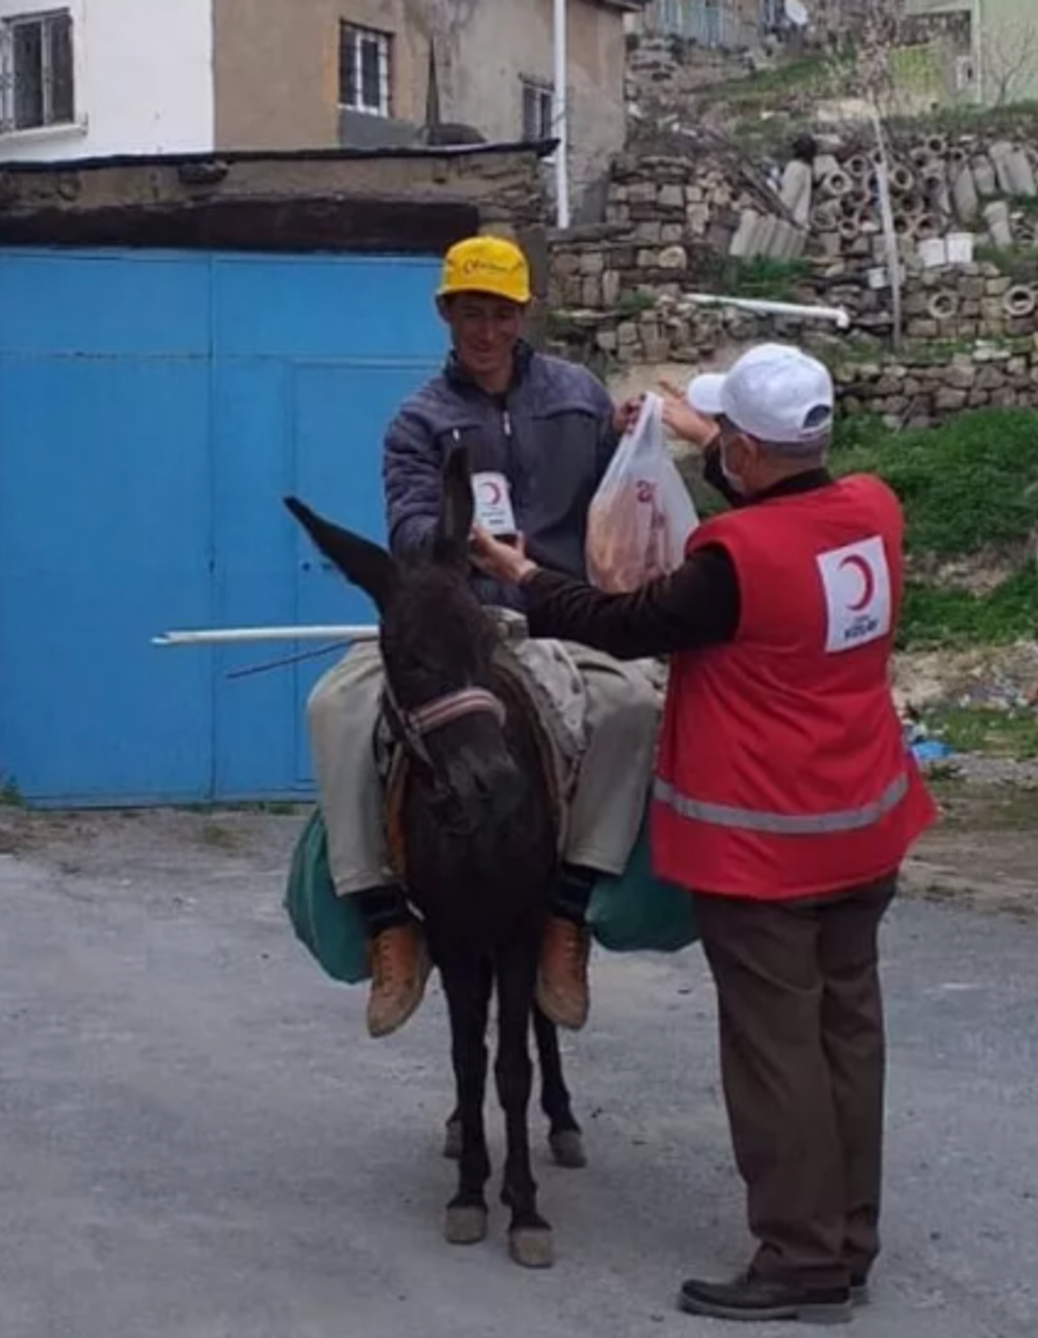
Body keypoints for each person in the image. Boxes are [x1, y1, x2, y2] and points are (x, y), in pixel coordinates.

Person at [470, 342, 937, 1325]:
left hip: (769, 848)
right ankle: (849, 1241)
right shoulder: (873, 509)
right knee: (848, 1036)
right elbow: (788, 510)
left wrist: (524, 572)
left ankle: (801, 1260)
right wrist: (697, 436)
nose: (714, 446)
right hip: (865, 827)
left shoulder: (732, 562)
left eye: (725, 437)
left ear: (748, 453)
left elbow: (619, 620)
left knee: (777, 1053)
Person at [305, 234, 662, 1042]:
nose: (486, 330)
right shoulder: (417, 421)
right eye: (471, 312)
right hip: (455, 624)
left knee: (634, 704)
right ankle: (385, 917)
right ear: (446, 314)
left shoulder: (580, 397)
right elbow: (407, 525)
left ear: (523, 314)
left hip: (559, 617)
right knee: (334, 708)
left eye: (501, 313)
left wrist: (638, 438)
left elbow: (622, 494)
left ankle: (569, 910)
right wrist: (457, 543)